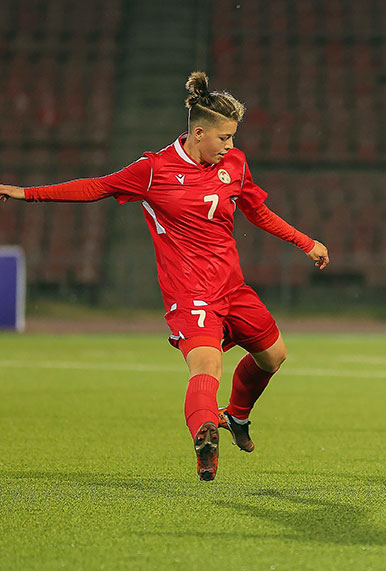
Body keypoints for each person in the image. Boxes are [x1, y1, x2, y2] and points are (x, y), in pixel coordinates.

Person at [0, 72, 330, 480]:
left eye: (232, 138)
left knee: (274, 356)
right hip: (190, 293)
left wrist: (304, 241)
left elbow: (256, 211)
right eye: (224, 137)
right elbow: (96, 187)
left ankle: (237, 415)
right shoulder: (153, 170)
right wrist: (26, 192)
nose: (231, 145)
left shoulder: (234, 164)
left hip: (233, 286)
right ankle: (205, 433)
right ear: (199, 132)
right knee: (206, 367)